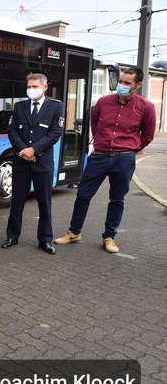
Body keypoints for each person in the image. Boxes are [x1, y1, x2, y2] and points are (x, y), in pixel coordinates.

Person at [54, 66, 155, 253]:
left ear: (138, 85)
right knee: (83, 194)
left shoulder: (146, 107)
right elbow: (95, 124)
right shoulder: (103, 102)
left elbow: (148, 135)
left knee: (117, 199)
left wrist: (130, 148)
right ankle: (74, 232)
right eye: (120, 82)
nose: (122, 86)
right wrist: (102, 143)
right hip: (99, 156)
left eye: (127, 83)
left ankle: (109, 237)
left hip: (124, 159)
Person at [1, 73, 64, 255]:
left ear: (44, 87)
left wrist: (34, 150)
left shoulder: (55, 107)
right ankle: (12, 236)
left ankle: (45, 240)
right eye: (29, 86)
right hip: (21, 161)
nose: (31, 90)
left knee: (45, 203)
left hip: (42, 162)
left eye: (35, 86)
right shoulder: (20, 107)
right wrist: (24, 151)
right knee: (17, 202)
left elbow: (54, 133)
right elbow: (12, 131)